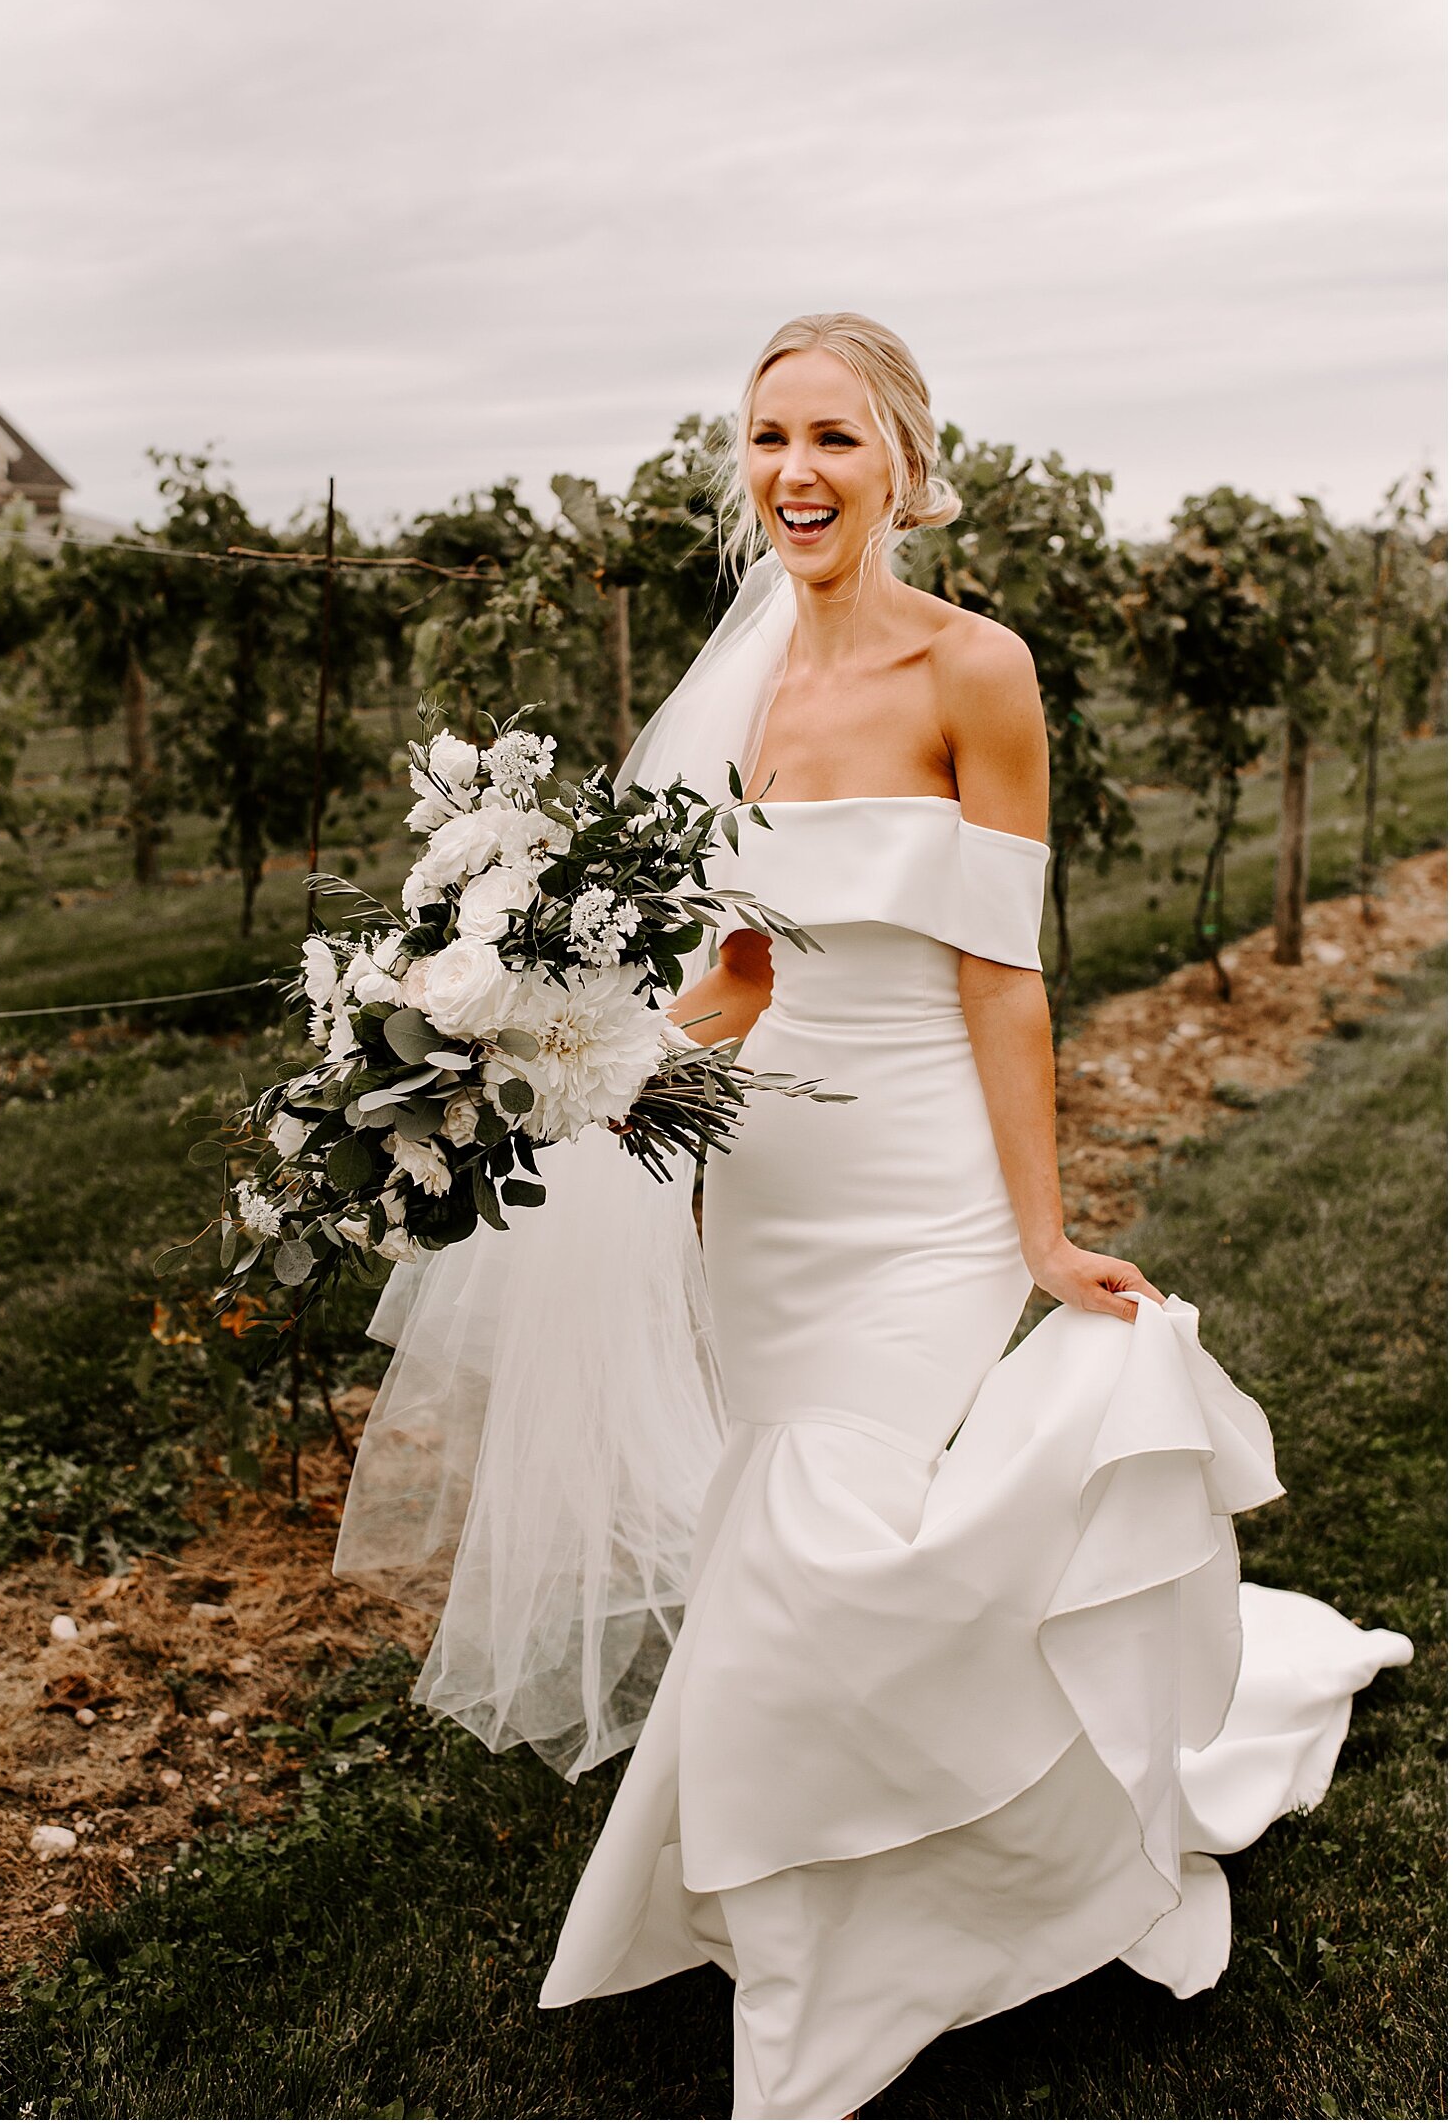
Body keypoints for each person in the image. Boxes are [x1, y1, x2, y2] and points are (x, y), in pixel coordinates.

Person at [336, 313, 1412, 2123]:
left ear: (905, 459)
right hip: (771, 1174)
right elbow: (738, 959)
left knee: (829, 1542)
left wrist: (1045, 1232)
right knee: (795, 1526)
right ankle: (842, 1908)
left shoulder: (974, 671)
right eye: (767, 439)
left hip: (922, 1184)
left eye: (833, 436)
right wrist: (556, 1066)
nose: (797, 474)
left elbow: (1006, 981)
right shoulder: (738, 695)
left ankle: (838, 1977)